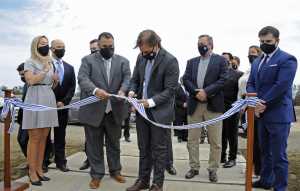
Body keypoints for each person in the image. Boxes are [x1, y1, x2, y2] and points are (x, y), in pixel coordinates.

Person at [126, 30, 179, 191]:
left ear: (156, 45)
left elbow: (170, 90)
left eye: (146, 51)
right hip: (142, 112)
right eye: (141, 51)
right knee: (144, 148)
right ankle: (143, 180)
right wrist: (131, 91)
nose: (143, 54)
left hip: (160, 112)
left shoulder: (170, 61)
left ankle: (157, 184)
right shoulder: (141, 57)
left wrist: (150, 102)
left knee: (159, 150)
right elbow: (135, 79)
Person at [78, 32, 131, 189]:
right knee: (94, 145)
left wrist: (123, 90)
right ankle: (96, 175)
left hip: (114, 111)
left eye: (111, 46)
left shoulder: (123, 61)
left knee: (114, 143)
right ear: (99, 46)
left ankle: (115, 171)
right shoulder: (87, 60)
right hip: (93, 111)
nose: (108, 49)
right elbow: (82, 78)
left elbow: (128, 78)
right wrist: (95, 90)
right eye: (105, 47)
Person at [247, 26, 297, 191]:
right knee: (264, 152)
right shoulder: (257, 61)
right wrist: (254, 101)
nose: (264, 44)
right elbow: (251, 83)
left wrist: (262, 102)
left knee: (278, 155)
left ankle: (280, 186)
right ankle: (266, 180)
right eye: (261, 41)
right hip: (261, 114)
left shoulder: (287, 59)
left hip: (278, 115)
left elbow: (281, 85)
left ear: (277, 40)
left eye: (268, 41)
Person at [183, 34, 226, 182]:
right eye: (198, 43)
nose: (200, 46)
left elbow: (223, 79)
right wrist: (197, 92)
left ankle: (212, 169)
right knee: (192, 140)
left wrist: (206, 92)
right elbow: (186, 79)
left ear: (211, 44)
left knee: (215, 141)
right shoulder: (191, 62)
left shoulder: (220, 60)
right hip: (195, 104)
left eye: (202, 43)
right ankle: (194, 167)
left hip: (213, 105)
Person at [23, 35, 59, 186]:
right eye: (42, 43)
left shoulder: (50, 62)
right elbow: (30, 81)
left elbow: (51, 84)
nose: (45, 46)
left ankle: (39, 169)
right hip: (34, 98)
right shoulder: (29, 62)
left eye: (46, 43)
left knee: (44, 136)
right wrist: (44, 71)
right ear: (35, 46)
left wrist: (55, 80)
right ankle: (31, 171)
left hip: (48, 97)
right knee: (35, 137)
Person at [16, 63, 53, 172]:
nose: (22, 77)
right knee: (22, 140)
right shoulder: (25, 85)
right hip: (26, 117)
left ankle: (42, 163)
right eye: (20, 76)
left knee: (41, 139)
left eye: (23, 74)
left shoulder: (38, 84)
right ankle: (31, 162)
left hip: (39, 116)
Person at [51, 39, 76, 172]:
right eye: (58, 47)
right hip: (47, 106)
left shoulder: (70, 68)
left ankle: (61, 162)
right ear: (52, 49)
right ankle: (44, 161)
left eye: (63, 47)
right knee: (44, 135)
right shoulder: (46, 65)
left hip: (62, 107)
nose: (61, 49)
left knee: (60, 135)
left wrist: (64, 102)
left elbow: (72, 87)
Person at [238, 45, 262, 176]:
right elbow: (242, 89)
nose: (250, 56)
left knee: (257, 140)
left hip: (257, 107)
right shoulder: (248, 71)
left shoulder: (261, 68)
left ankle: (257, 168)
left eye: (253, 53)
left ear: (259, 54)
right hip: (246, 107)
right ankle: (252, 166)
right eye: (249, 53)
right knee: (251, 140)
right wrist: (241, 105)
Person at [79, 38, 101, 171]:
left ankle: (105, 163)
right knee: (90, 138)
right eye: (91, 49)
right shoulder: (86, 62)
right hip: (89, 104)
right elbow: (83, 80)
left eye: (96, 49)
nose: (93, 52)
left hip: (104, 107)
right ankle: (89, 159)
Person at [221, 54, 243, 168]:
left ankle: (232, 158)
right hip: (220, 109)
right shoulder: (218, 74)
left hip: (233, 108)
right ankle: (222, 156)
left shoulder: (239, 75)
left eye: (226, 58)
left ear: (230, 61)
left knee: (232, 135)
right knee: (221, 134)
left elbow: (242, 92)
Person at [174, 78, 188, 142]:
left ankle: (185, 137)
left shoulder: (187, 88)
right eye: (182, 80)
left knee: (186, 123)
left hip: (187, 109)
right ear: (181, 81)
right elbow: (175, 100)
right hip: (179, 109)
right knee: (179, 123)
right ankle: (179, 137)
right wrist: (182, 104)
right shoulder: (177, 88)